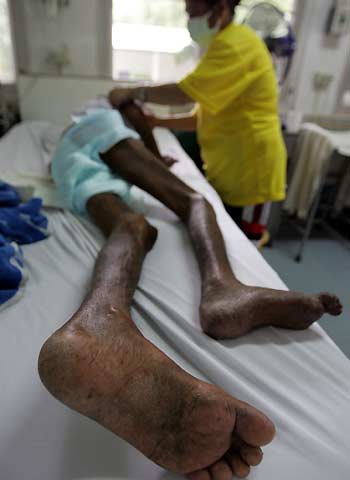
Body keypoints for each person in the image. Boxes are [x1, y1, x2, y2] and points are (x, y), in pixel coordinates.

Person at [38, 99, 342, 480]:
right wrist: (153, 155)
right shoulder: (103, 113)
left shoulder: (60, 141)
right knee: (194, 201)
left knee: (132, 226)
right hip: (98, 135)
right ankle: (222, 286)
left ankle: (100, 318)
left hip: (68, 171)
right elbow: (133, 111)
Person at [108, 0, 287, 241]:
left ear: (221, 9)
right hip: (229, 165)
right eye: (188, 14)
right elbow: (202, 117)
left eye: (194, 14)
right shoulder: (221, 44)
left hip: (251, 169)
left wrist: (134, 91)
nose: (190, 21)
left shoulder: (235, 46)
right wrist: (157, 121)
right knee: (225, 234)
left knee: (244, 242)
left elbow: (185, 93)